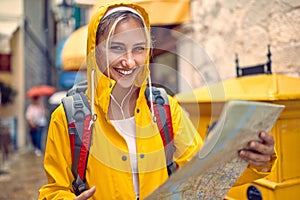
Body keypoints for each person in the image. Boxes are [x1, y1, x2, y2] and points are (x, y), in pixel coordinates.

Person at [39, 2, 276, 200]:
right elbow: (53, 190)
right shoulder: (68, 117)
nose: (130, 62)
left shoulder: (166, 108)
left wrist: (253, 161)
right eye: (117, 48)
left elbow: (202, 172)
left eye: (139, 49)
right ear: (96, 52)